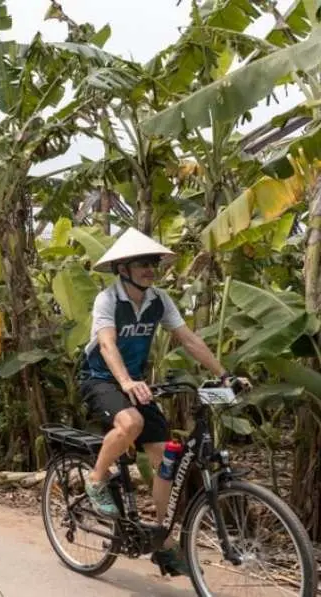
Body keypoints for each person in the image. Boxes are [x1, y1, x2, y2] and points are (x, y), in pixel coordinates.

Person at [78, 227, 249, 576]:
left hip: (135, 383)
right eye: (142, 263)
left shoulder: (159, 300)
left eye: (153, 262)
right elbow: (107, 345)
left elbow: (188, 339)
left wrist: (223, 375)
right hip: (100, 379)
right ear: (122, 268)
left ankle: (163, 541)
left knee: (166, 460)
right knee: (131, 423)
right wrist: (125, 381)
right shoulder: (108, 300)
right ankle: (95, 480)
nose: (150, 268)